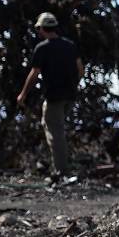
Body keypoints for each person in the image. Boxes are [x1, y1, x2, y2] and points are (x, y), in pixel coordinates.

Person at [17, 12, 84, 178]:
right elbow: (80, 69)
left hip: (54, 96)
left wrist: (23, 94)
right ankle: (56, 165)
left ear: (41, 29)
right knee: (54, 127)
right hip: (70, 95)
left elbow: (34, 73)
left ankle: (61, 171)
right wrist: (73, 84)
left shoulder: (43, 48)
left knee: (55, 133)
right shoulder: (70, 45)